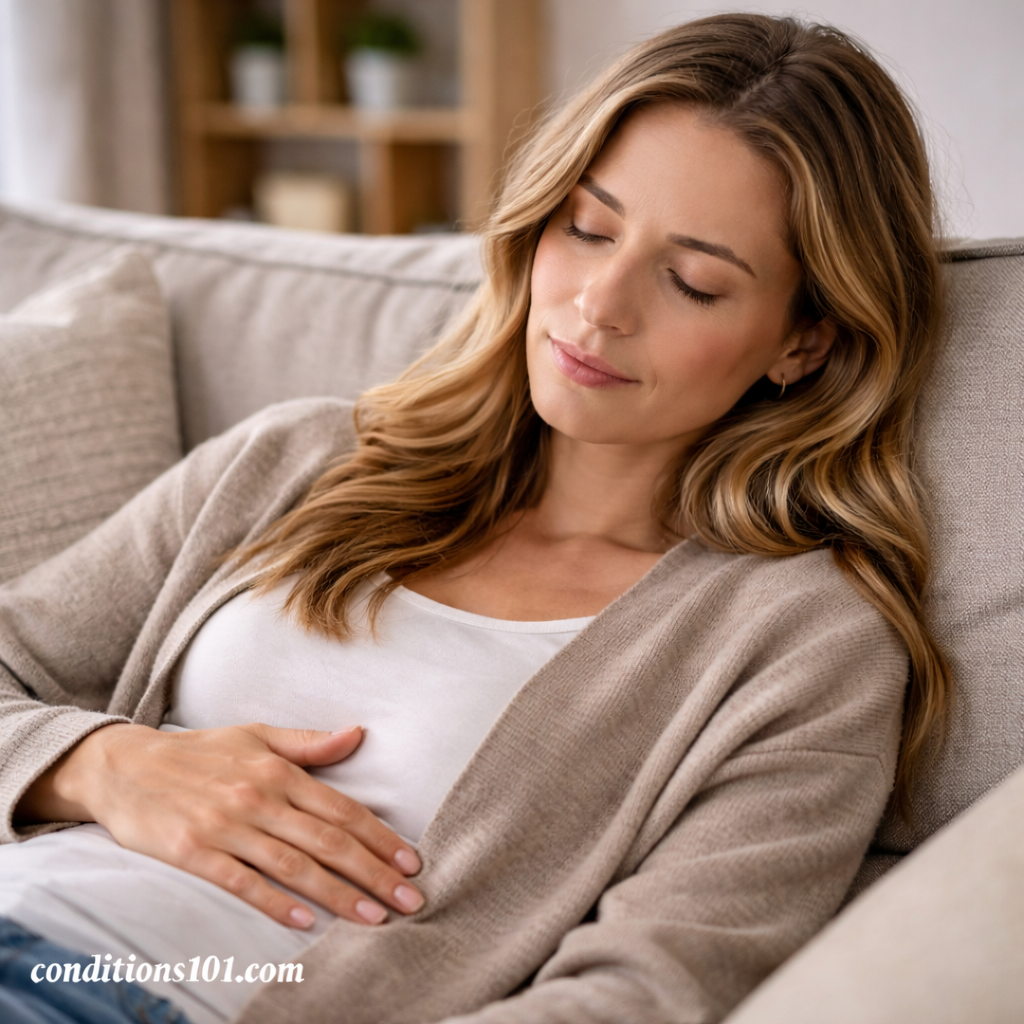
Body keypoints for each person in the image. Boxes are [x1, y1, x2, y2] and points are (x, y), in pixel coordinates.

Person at [0, 13, 950, 1024]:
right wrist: (102, 765)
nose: (598, 303)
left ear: (801, 343)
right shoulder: (299, 460)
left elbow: (643, 993)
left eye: (693, 280)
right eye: (586, 227)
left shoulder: (798, 646)